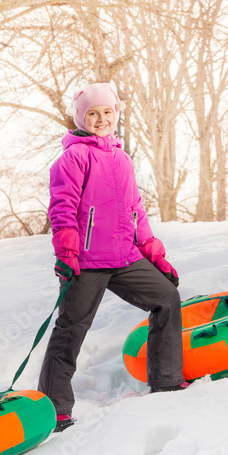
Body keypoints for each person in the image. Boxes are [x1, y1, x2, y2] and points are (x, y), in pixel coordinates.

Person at [39, 83, 186, 432]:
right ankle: (55, 407)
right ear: (81, 118)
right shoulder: (73, 157)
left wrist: (153, 253)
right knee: (71, 329)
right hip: (86, 260)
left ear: (116, 114)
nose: (101, 119)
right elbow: (62, 209)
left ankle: (165, 379)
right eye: (92, 113)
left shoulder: (122, 158)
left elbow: (136, 210)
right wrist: (68, 251)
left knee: (167, 298)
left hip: (124, 257)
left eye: (107, 112)